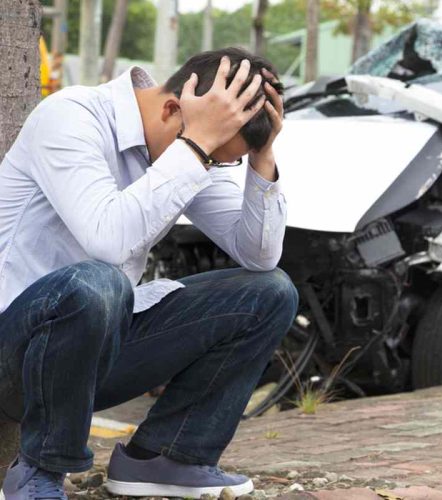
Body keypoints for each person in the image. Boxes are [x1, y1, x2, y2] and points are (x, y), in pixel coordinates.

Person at [0, 47, 298, 500]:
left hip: (93, 355)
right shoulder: (71, 117)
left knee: (269, 292)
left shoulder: (192, 146)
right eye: (214, 156)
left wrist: (262, 157)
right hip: (14, 353)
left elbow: (259, 255)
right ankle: (39, 473)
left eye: (222, 160)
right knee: (99, 283)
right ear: (174, 109)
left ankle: (166, 458)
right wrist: (196, 148)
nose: (212, 167)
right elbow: (108, 240)